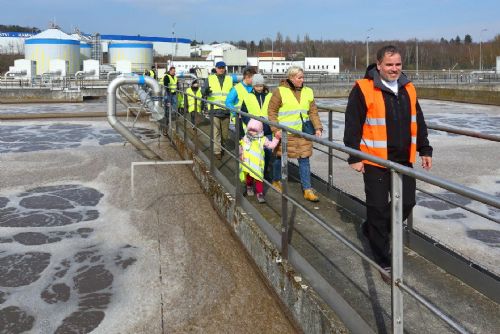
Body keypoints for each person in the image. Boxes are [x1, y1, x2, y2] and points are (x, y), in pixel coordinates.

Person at [343, 45, 433, 279]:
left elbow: (419, 120)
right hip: (375, 160)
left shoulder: (408, 88)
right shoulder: (364, 89)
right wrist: (354, 155)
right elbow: (352, 124)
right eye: (389, 65)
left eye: (398, 64)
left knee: (408, 202)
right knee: (378, 208)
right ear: (379, 65)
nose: (394, 69)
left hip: (403, 160)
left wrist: (425, 148)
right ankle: (383, 261)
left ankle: (374, 229)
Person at [268, 66, 323, 202]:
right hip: (285, 133)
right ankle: (276, 180)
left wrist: (317, 127)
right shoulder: (280, 91)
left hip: (303, 133)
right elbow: (271, 112)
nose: (302, 80)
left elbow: (313, 112)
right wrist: (276, 130)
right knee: (279, 158)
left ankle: (307, 189)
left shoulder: (308, 91)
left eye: (303, 77)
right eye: (299, 78)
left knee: (304, 160)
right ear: (291, 78)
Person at [240, 74, 273, 181]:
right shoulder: (247, 97)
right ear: (253, 86)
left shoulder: (269, 96)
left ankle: (264, 172)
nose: (259, 88)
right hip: (253, 130)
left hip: (267, 129)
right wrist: (251, 124)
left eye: (261, 86)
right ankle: (251, 173)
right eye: (257, 86)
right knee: (252, 153)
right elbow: (243, 113)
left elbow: (273, 111)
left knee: (267, 151)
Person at [240, 119, 281, 203]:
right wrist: (241, 155)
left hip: (258, 164)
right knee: (249, 176)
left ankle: (260, 193)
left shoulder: (263, 139)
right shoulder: (246, 137)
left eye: (254, 131)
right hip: (247, 162)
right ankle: (249, 186)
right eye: (250, 130)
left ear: (259, 130)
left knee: (259, 179)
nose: (251, 132)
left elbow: (271, 145)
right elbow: (241, 146)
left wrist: (276, 138)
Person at [204, 61, 233, 160]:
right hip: (214, 109)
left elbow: (233, 93)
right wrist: (205, 91)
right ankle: (217, 151)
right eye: (219, 67)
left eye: (223, 67)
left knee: (225, 134)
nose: (221, 69)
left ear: (225, 68)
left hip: (226, 110)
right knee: (216, 132)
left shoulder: (229, 79)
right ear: (216, 68)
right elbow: (202, 90)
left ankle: (222, 145)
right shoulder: (210, 78)